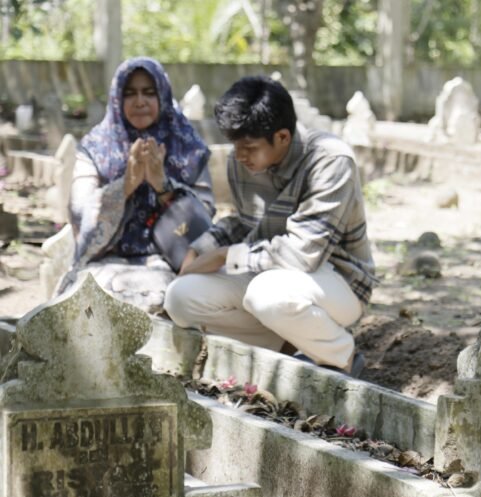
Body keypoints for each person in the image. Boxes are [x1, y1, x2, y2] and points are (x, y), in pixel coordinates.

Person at [164, 76, 376, 377]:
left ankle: (341, 356)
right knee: (180, 297)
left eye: (249, 147)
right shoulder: (242, 161)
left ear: (283, 137)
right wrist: (201, 249)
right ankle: (285, 347)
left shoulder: (330, 161)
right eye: (236, 146)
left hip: (337, 279)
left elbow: (303, 255)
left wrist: (224, 257)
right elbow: (244, 221)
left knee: (266, 294)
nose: (239, 156)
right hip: (268, 272)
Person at [61, 57, 214, 314]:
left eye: (148, 92)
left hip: (169, 261)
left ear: (162, 96)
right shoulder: (95, 147)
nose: (140, 101)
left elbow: (206, 217)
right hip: (103, 260)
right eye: (130, 93)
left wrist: (162, 185)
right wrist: (126, 185)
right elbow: (79, 216)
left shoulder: (188, 147)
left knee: (171, 301)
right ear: (117, 99)